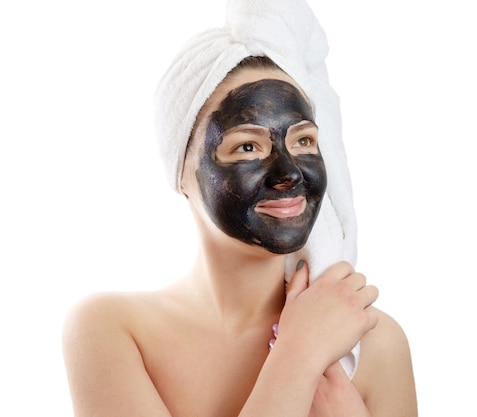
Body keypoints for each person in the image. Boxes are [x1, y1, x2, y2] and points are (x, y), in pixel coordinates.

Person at [62, 1, 418, 416]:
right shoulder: (111, 329)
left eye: (303, 142)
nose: (288, 174)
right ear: (182, 174)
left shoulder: (374, 342)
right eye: (247, 146)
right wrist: (298, 356)